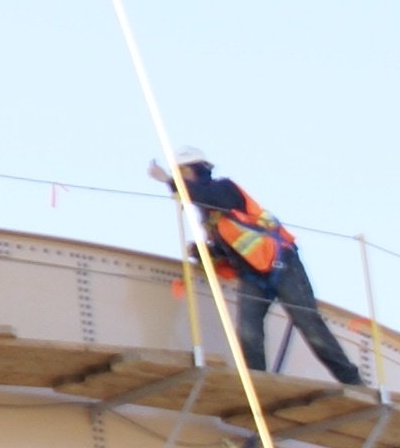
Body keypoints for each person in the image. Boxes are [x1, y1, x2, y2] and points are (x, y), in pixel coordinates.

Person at [155, 150, 365, 388]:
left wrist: (169, 182)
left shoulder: (224, 189)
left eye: (184, 173)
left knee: (309, 325)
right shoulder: (210, 220)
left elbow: (207, 197)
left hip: (282, 265)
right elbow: (233, 249)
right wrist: (207, 254)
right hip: (253, 275)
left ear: (199, 171)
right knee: (248, 332)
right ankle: (258, 384)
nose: (182, 179)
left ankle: (353, 381)